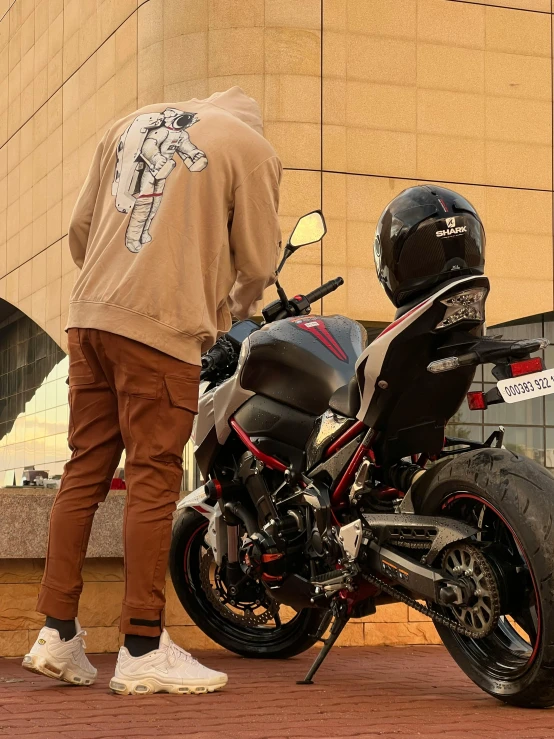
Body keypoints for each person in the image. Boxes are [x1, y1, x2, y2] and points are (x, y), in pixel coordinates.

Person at [22, 87, 282, 695]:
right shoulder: (251, 148)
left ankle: (57, 632)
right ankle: (141, 644)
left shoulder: (127, 121)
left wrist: (110, 288)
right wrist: (229, 312)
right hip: (160, 332)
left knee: (83, 470)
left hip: (90, 319)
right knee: (153, 478)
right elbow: (260, 261)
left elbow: (80, 228)